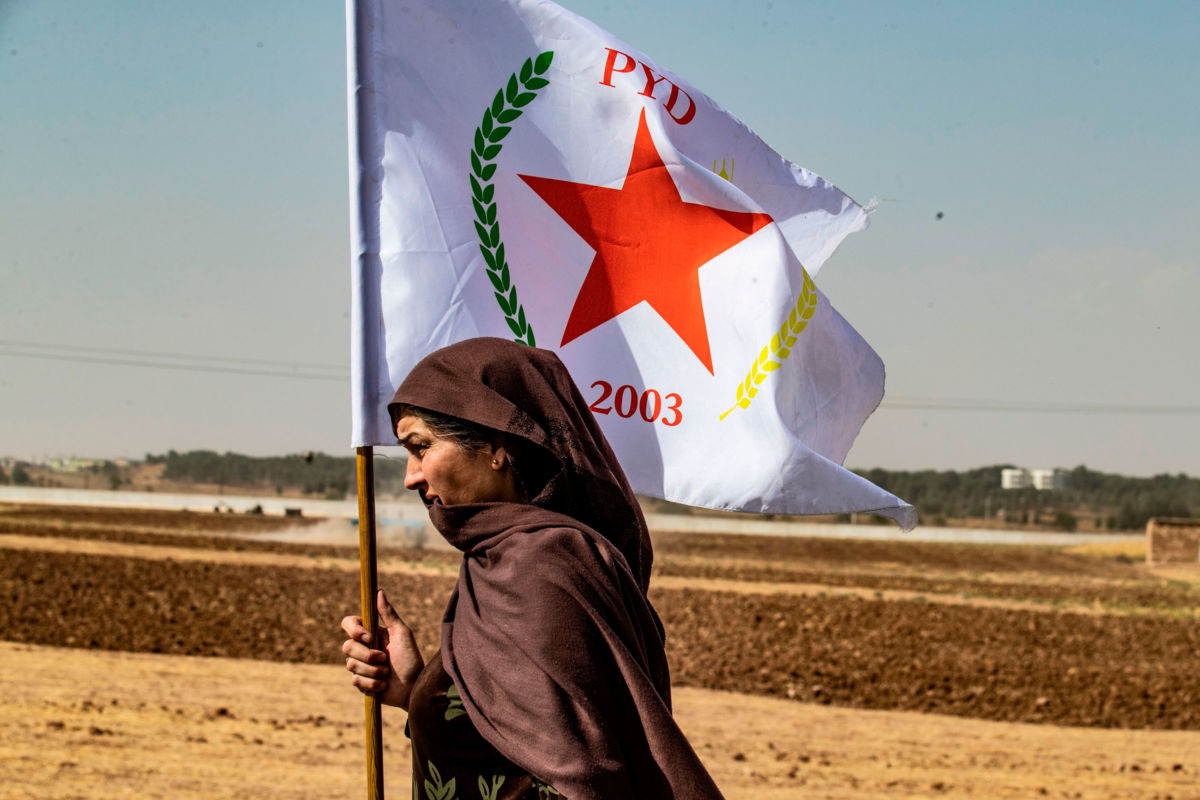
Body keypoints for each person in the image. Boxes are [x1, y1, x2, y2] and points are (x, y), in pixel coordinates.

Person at [341, 337, 724, 800]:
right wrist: (418, 690)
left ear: (496, 445)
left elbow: (580, 776)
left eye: (421, 447)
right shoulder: (500, 564)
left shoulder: (540, 567)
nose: (410, 477)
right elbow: (516, 749)